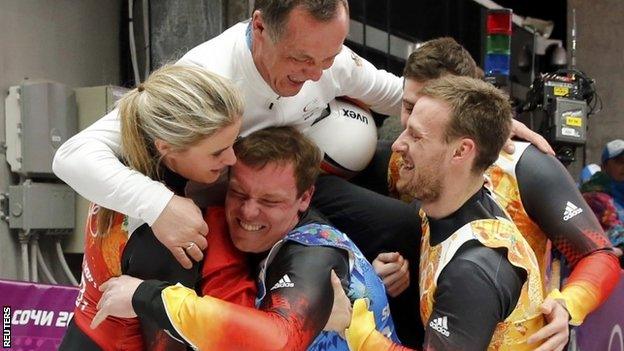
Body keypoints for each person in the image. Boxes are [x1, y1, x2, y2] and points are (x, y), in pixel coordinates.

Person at [53, 1, 549, 345]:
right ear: (260, 28)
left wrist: (492, 124)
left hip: (292, 201)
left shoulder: (329, 61)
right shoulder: (203, 81)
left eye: (327, 60)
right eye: (301, 60)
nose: (316, 74)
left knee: (402, 223)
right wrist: (159, 204)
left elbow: (410, 95)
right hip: (191, 224)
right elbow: (72, 155)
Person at [380, 37, 620, 350]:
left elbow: (599, 254)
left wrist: (567, 305)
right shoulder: (405, 155)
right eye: (409, 107)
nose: (413, 122)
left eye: (433, 107)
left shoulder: (524, 165)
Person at [91, 127, 398, 351]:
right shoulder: (272, 238)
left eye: (269, 201)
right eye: (238, 193)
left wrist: (145, 296)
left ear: (304, 199)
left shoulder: (314, 256)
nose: (248, 212)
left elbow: (280, 340)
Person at [344, 75, 549, 350]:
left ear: (461, 151)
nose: (398, 144)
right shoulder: (451, 205)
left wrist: (359, 333)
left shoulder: (473, 269)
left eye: (416, 136)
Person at [58, 64, 248, 350]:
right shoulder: (171, 231)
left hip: (82, 333)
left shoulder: (123, 172)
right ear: (167, 147)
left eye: (234, 142)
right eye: (218, 152)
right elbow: (168, 338)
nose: (232, 159)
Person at [581, 139, 624, 264]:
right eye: (619, 161)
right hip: (608, 264)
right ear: (605, 166)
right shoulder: (595, 196)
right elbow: (613, 231)